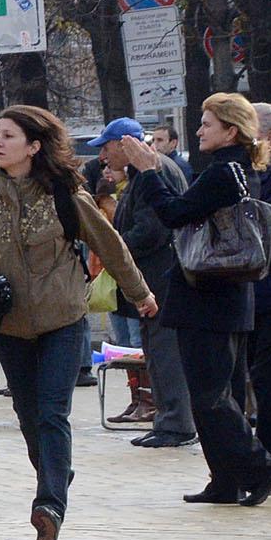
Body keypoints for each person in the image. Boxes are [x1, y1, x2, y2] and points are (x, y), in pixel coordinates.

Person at [0, 103, 153, 540]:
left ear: (34, 146)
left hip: (63, 319)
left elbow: (112, 247)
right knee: (27, 415)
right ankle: (57, 472)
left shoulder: (66, 195)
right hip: (9, 323)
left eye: (8, 136)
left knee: (51, 413)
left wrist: (140, 295)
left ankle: (50, 505)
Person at [111, 95, 271, 506]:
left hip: (209, 298)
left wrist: (148, 172)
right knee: (225, 393)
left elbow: (174, 214)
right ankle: (226, 481)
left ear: (231, 131)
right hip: (229, 298)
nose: (199, 131)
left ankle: (259, 468)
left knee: (209, 395)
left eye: (206, 124)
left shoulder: (225, 171)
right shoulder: (237, 169)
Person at [98, 118, 196, 447]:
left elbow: (152, 230)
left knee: (166, 351)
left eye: (107, 147)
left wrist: (114, 248)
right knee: (155, 350)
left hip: (163, 279)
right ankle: (167, 418)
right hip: (156, 278)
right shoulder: (143, 174)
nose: (103, 156)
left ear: (125, 143)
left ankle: (176, 423)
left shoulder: (154, 171)